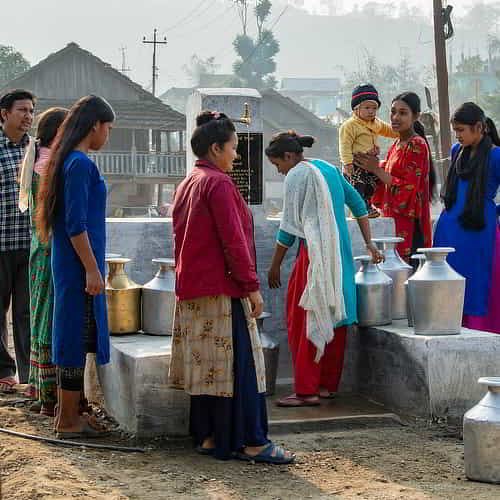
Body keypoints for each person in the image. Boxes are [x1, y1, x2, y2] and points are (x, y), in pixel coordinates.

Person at [168, 111, 294, 464]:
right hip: (223, 290)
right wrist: (251, 287)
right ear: (215, 148)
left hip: (193, 289)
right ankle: (253, 441)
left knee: (209, 369)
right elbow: (233, 241)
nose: (236, 155)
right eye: (233, 148)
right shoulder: (219, 183)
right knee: (240, 368)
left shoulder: (189, 181)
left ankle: (211, 436)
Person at [266, 131, 383, 407]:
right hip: (340, 253)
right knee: (335, 316)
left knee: (304, 318)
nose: (280, 171)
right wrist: (370, 244)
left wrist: (274, 267)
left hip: (314, 257)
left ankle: (306, 390)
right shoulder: (329, 168)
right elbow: (358, 205)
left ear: (289, 157)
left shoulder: (297, 174)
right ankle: (327, 386)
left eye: (277, 165)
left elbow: (288, 229)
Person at [37, 95, 114, 438]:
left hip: (69, 264)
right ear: (95, 125)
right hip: (78, 265)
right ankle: (68, 419)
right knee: (74, 337)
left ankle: (68, 415)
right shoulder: (80, 164)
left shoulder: (65, 160)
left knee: (73, 335)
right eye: (108, 128)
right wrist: (92, 269)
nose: (107, 135)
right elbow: (76, 224)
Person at [433, 102, 500, 333]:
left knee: (478, 282)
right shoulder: (456, 151)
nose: (458, 135)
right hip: (450, 231)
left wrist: (495, 212)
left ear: (479, 127)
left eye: (461, 130)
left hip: (479, 231)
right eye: (456, 131)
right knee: (450, 283)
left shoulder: (496, 155)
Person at [18, 107, 68, 414]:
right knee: (51, 316)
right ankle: (51, 396)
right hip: (53, 250)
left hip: (38, 247)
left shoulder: (36, 159)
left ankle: (40, 388)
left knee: (38, 316)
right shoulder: (54, 165)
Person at [354, 92, 436, 264]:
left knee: (407, 277)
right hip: (392, 221)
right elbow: (384, 180)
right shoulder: (396, 145)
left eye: (403, 113)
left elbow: (409, 189)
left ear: (416, 116)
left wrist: (376, 169)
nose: (395, 117)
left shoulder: (417, 144)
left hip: (411, 224)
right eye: (393, 112)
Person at [0, 89, 35, 393]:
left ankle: (28, 374)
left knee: (26, 312)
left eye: (31, 111)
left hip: (27, 244)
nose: (28, 117)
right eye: (22, 110)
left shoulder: (34, 150)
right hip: (0, 244)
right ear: (4, 114)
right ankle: (3, 372)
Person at [339, 84, 399, 218]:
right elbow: (344, 145)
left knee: (371, 185)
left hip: (370, 163)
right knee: (358, 186)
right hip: (355, 164)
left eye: (374, 108)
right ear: (356, 109)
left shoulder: (376, 123)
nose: (371, 111)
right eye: (367, 108)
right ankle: (357, 210)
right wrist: (347, 163)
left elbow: (388, 130)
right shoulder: (349, 126)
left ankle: (367, 205)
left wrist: (400, 133)